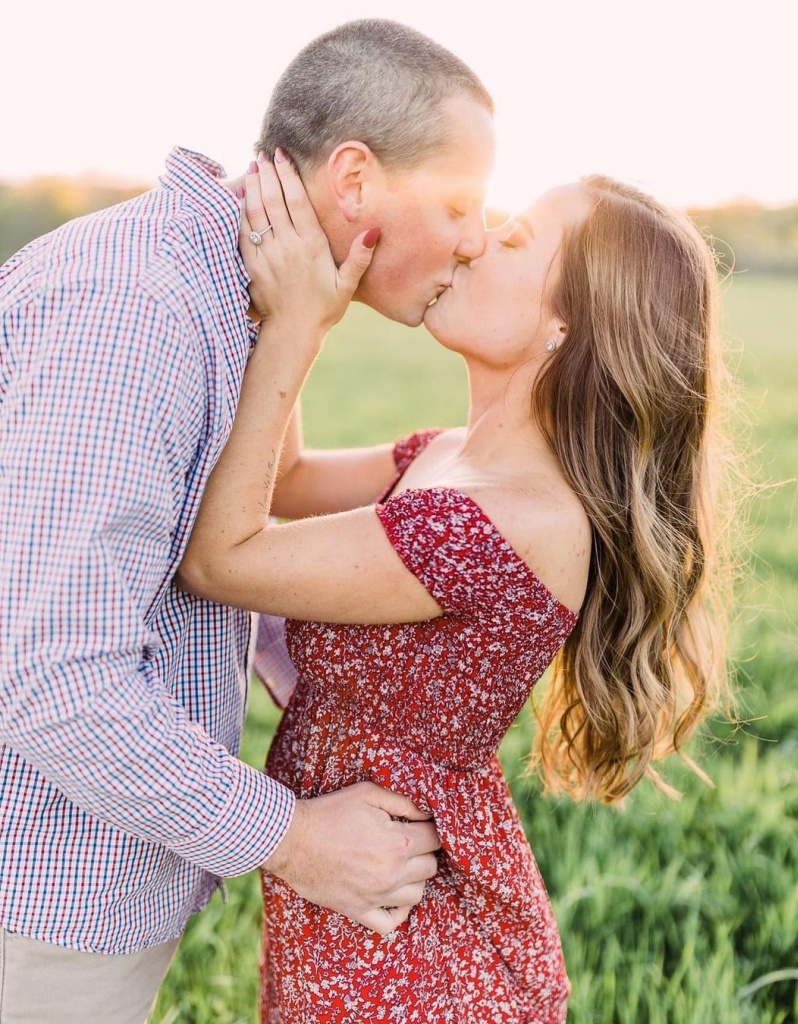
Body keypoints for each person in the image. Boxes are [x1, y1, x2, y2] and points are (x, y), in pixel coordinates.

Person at [0, 20, 495, 1024]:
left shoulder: (227, 299)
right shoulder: (136, 310)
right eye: (458, 204)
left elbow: (267, 499)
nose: (477, 237)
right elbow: (54, 677)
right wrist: (299, 840)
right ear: (354, 183)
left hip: (87, 872)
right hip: (36, 889)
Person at [176, 151, 734, 1022]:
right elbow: (281, 479)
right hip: (358, 887)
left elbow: (221, 558)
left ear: (566, 327)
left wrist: (298, 324)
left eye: (511, 240)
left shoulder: (512, 520)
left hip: (423, 950)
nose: (472, 245)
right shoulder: (449, 458)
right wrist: (313, 285)